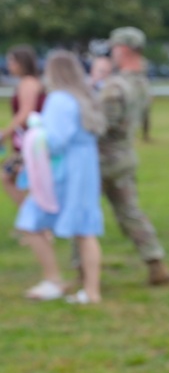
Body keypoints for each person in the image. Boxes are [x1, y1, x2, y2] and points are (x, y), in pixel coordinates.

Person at [16, 50, 105, 304]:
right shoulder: (86, 96)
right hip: (85, 167)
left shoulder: (59, 100)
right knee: (85, 229)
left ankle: (54, 279)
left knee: (31, 220)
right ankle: (91, 290)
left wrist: (36, 130)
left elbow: (54, 141)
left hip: (64, 170)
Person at [97, 26, 169, 285]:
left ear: (124, 49)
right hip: (125, 156)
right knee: (130, 212)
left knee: (81, 214)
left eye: (114, 48)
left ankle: (83, 272)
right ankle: (156, 262)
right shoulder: (141, 82)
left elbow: (100, 125)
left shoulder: (116, 86)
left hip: (102, 159)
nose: (111, 53)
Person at [2, 45, 47, 207]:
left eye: (11, 61)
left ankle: (32, 222)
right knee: (20, 179)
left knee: (8, 176)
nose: (8, 65)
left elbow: (25, 113)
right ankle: (32, 221)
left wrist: (4, 134)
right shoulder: (31, 82)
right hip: (29, 140)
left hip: (30, 141)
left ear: (21, 62)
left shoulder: (28, 83)